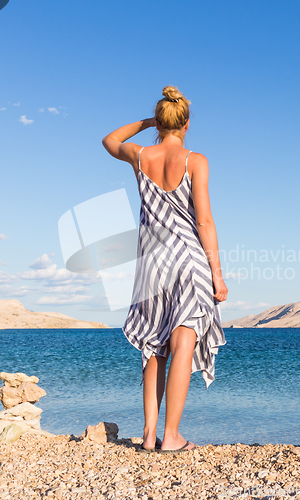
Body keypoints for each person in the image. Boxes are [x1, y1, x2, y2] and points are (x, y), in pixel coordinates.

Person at [102, 85, 227, 454]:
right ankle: (172, 436)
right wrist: (217, 273)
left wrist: (147, 122)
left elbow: (109, 140)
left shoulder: (141, 156)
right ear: (186, 124)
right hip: (188, 260)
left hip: (152, 263)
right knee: (184, 337)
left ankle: (148, 435)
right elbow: (203, 221)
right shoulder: (195, 160)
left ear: (160, 122)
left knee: (155, 346)